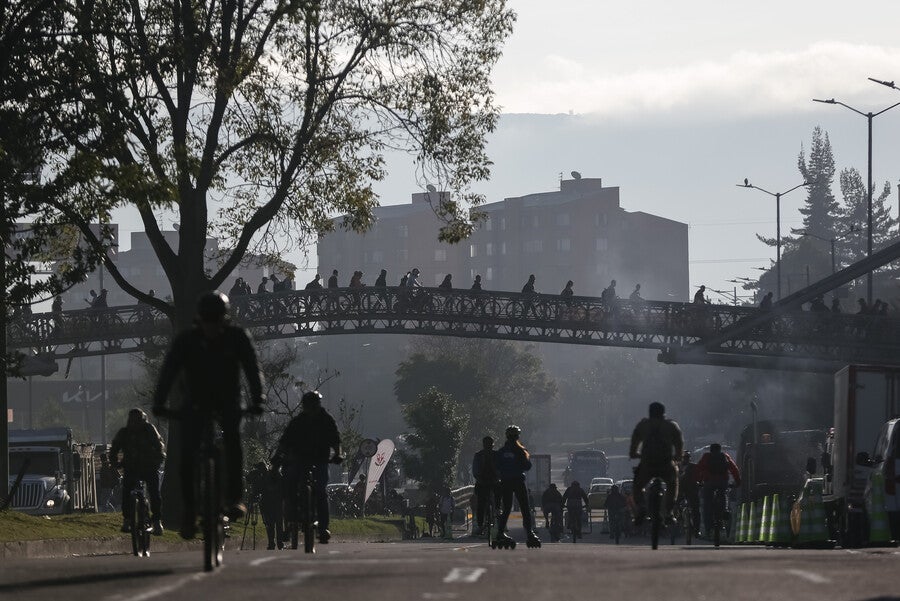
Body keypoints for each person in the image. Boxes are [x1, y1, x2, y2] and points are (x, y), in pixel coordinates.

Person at [152, 291, 265, 539]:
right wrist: (159, 402)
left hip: (228, 398)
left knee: (233, 442)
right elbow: (168, 371)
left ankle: (235, 499)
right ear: (199, 319)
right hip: (196, 400)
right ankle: (190, 512)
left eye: (216, 320)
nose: (211, 326)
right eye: (207, 320)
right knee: (187, 454)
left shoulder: (237, 338)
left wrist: (258, 399)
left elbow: (252, 370)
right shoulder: (186, 341)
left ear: (224, 319)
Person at [273, 390, 343, 544]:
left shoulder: (327, 420)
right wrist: (278, 456)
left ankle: (323, 528)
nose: (311, 408)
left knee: (321, 491)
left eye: (314, 405)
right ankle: (290, 520)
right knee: (290, 484)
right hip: (299, 460)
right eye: (308, 405)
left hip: (320, 460)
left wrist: (338, 454)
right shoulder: (297, 422)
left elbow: (335, 439)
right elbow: (284, 442)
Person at [109, 408, 166, 535]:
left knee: (154, 492)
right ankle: (127, 519)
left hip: (149, 467)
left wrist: (157, 461)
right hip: (131, 467)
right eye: (132, 420)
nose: (134, 423)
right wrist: (115, 463)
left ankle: (157, 522)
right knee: (126, 491)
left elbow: (159, 445)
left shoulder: (150, 430)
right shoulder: (124, 433)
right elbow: (114, 448)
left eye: (137, 420)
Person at [629, 401, 684, 526]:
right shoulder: (671, 426)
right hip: (666, 464)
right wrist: (678, 457)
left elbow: (634, 443)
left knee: (637, 485)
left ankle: (641, 507)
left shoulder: (643, 425)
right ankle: (669, 512)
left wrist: (634, 454)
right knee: (673, 484)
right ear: (663, 413)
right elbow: (679, 444)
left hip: (647, 464)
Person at [494, 425, 540, 546]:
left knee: (507, 508)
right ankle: (529, 533)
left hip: (505, 482)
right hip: (518, 481)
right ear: (517, 436)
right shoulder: (520, 450)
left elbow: (497, 467)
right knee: (525, 508)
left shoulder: (501, 452)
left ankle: (500, 532)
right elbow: (527, 466)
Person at [696, 443, 741, 537]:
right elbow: (734, 469)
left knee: (707, 504)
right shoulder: (725, 456)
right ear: (720, 449)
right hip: (722, 482)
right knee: (724, 495)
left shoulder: (706, 456)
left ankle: (708, 529)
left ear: (711, 450)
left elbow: (699, 469)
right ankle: (724, 511)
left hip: (709, 482)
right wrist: (737, 482)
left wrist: (699, 481)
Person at [246, 461, 284, 550]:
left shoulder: (266, 477)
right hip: (274, 503)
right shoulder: (271, 475)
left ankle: (273, 543)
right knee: (276, 524)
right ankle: (277, 543)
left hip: (270, 503)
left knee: (271, 524)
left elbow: (257, 489)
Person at [471, 436, 498, 536]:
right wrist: (479, 478)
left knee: (499, 500)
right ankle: (480, 524)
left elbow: (500, 467)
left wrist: (498, 477)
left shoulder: (496, 455)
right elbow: (475, 470)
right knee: (481, 504)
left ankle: (498, 518)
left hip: (494, 481)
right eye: (486, 444)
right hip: (482, 481)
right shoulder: (478, 456)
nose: (488, 446)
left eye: (489, 444)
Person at [678, 451, 701, 538]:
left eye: (687, 457)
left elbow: (700, 476)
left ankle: (696, 529)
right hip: (680, 490)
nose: (685, 459)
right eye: (684, 457)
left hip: (692, 490)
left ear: (689, 458)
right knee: (674, 504)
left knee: (695, 510)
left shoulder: (694, 466)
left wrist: (700, 483)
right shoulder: (677, 467)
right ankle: (677, 519)